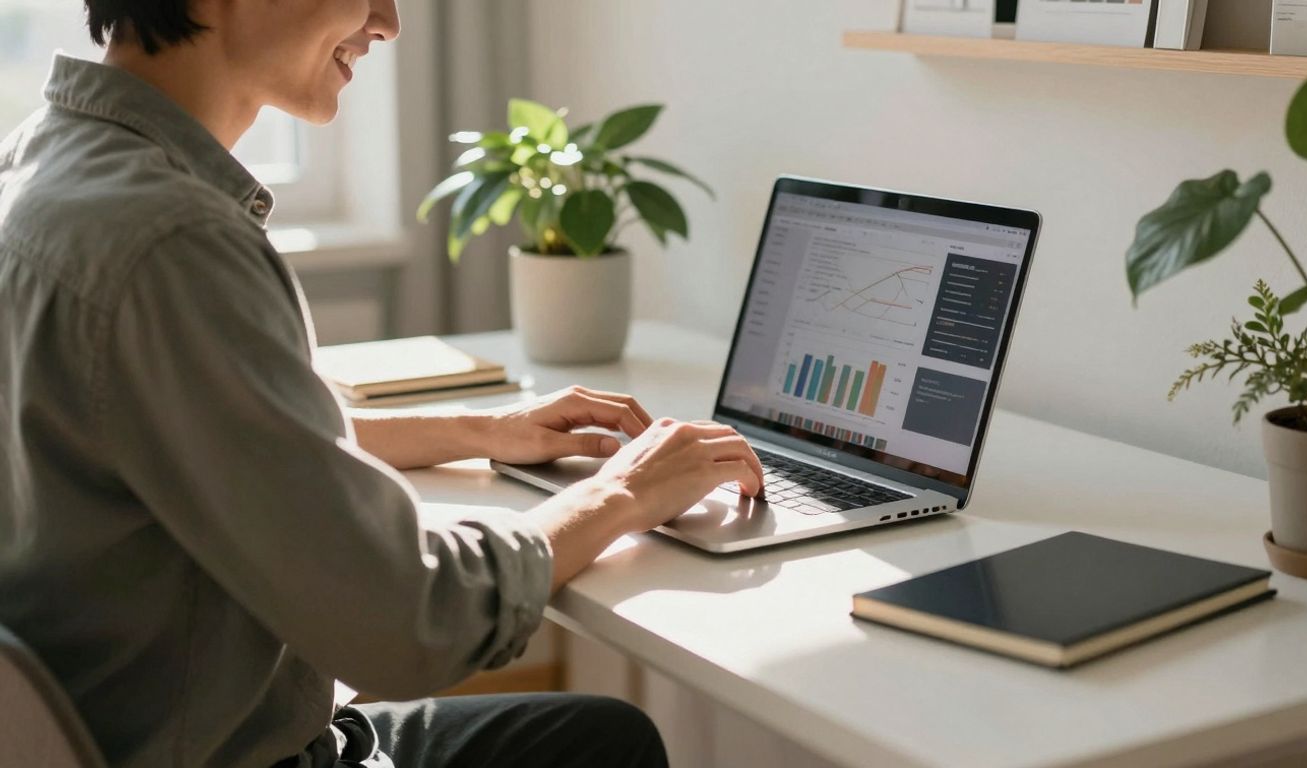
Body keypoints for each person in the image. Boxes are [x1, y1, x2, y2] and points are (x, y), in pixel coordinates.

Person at [0, 0, 765, 766]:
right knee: (604, 746)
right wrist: (619, 495)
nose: (388, 21)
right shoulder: (173, 242)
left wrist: (479, 431)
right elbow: (406, 619)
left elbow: (210, 434)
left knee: (591, 735)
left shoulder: (44, 164)